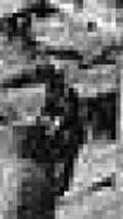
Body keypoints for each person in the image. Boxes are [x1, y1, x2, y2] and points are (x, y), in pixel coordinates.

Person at [35, 62, 85, 196]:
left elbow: (69, 113)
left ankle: (61, 188)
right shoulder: (51, 92)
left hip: (70, 131)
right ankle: (55, 186)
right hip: (59, 131)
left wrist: (55, 124)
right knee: (54, 160)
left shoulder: (67, 93)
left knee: (66, 161)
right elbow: (46, 110)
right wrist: (43, 121)